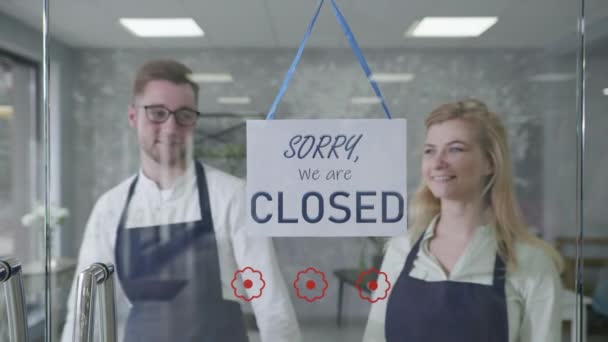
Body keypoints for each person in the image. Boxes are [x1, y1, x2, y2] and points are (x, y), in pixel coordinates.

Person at [61, 59, 300, 342]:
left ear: (194, 121)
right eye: (157, 113)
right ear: (133, 116)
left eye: (184, 115)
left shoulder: (232, 196)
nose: (171, 127)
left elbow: (271, 305)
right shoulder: (110, 208)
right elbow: (85, 311)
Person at [363, 99, 564, 342]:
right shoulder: (400, 250)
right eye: (430, 150)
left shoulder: (530, 260)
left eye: (455, 149)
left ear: (490, 163)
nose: (438, 162)